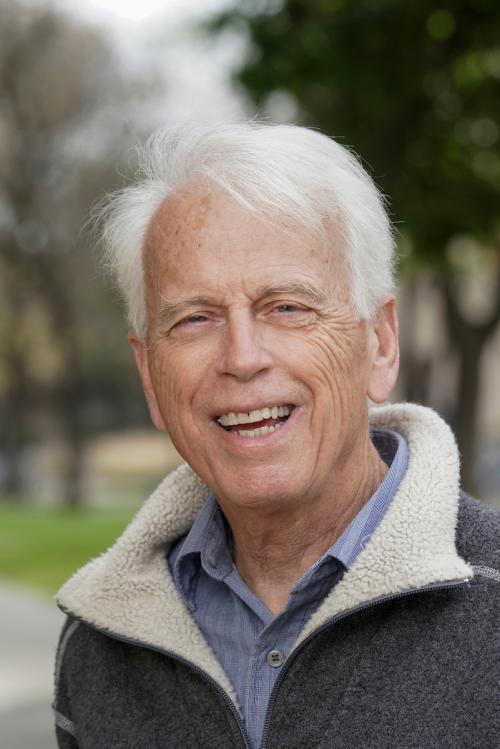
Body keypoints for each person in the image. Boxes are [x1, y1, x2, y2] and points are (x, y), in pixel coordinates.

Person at [53, 123, 499, 749]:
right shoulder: (100, 644)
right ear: (149, 373)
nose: (242, 356)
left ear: (381, 343)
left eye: (288, 307)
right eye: (195, 318)